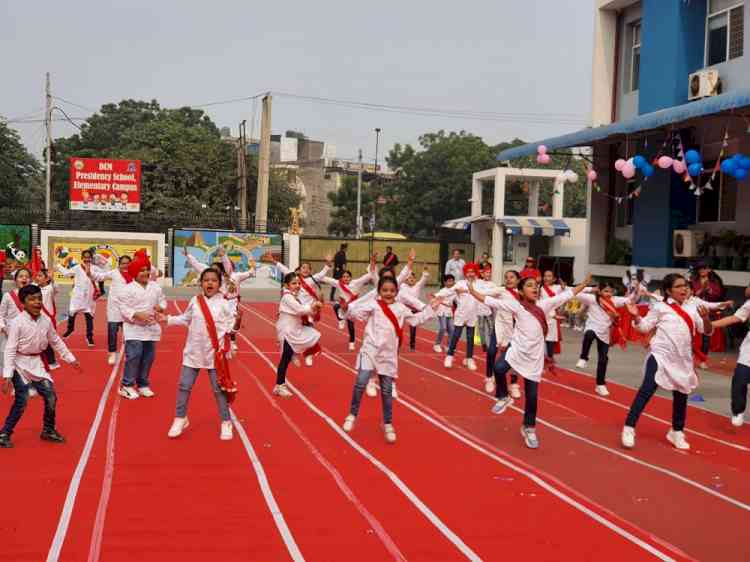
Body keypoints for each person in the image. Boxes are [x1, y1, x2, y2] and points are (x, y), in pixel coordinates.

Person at [470, 273, 592, 449]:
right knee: (498, 368)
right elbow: (490, 301)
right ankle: (503, 396)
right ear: (521, 291)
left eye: (536, 285)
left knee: (532, 396)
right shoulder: (516, 306)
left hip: (534, 359)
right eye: (529, 285)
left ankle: (529, 427)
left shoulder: (545, 304)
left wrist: (584, 284)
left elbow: (568, 294)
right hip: (516, 351)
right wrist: (472, 291)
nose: (534, 288)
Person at [340, 276, 440, 443]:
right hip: (370, 349)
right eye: (385, 290)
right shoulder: (373, 305)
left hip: (388, 355)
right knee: (361, 380)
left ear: (397, 292)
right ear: (379, 291)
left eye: (392, 290)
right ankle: (352, 414)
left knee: (386, 391)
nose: (388, 293)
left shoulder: (401, 308)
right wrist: (345, 310)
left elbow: (415, 320)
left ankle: (387, 423)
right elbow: (356, 314)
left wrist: (431, 309)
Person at [621, 274, 714, 450]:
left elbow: (707, 331)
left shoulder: (694, 308)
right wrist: (635, 317)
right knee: (646, 390)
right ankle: (629, 428)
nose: (684, 289)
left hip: (682, 360)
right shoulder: (660, 307)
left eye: (685, 285)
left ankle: (676, 432)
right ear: (669, 291)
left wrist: (707, 319)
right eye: (679, 286)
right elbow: (644, 327)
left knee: (681, 396)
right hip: (660, 355)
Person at [0, 284, 81, 448]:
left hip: (36, 364)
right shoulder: (17, 323)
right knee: (22, 400)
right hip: (19, 365)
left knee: (51, 395)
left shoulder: (45, 320)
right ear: (23, 303)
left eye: (39, 298)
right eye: (31, 299)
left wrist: (70, 359)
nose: (37, 302)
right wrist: (7, 375)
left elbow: (56, 340)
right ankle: (4, 433)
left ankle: (48, 430)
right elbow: (9, 349)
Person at [163, 267, 238, 440]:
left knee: (218, 391)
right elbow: (185, 318)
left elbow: (231, 328)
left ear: (219, 284)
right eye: (206, 280)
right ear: (201, 283)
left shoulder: (225, 304)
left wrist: (238, 322)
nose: (210, 283)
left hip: (214, 355)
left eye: (213, 280)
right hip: (193, 352)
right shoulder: (195, 301)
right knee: (184, 386)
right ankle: (180, 418)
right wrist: (167, 319)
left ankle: (226, 422)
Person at [185, 246, 254, 352]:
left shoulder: (236, 276)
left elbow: (248, 273)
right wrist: (188, 256)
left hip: (233, 302)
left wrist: (252, 269)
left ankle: (231, 340)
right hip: (221, 301)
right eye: (212, 269)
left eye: (216, 269)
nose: (213, 271)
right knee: (219, 321)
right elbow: (198, 266)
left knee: (232, 323)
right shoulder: (217, 279)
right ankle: (215, 339)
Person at [117, 255, 167, 400]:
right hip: (134, 329)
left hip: (151, 328)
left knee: (148, 357)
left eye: (147, 270)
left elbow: (163, 301)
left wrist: (161, 307)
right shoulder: (127, 289)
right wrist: (136, 314)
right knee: (134, 356)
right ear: (134, 273)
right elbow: (123, 307)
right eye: (141, 270)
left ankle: (143, 384)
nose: (145, 273)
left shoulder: (155, 287)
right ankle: (126, 385)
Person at [575, 281, 638, 396]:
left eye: (610, 291)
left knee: (603, 359)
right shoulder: (592, 299)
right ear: (599, 291)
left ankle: (600, 385)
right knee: (589, 334)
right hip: (592, 327)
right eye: (605, 291)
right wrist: (590, 289)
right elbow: (576, 293)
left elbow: (630, 300)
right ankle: (584, 357)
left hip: (604, 333)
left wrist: (637, 289)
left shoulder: (615, 300)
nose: (608, 293)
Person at [274, 272, 323, 398]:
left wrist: (316, 307)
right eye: (293, 283)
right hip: (287, 331)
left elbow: (303, 310)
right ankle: (279, 385)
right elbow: (300, 310)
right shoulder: (287, 297)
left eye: (298, 283)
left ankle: (296, 355)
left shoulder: (294, 296)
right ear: (286, 285)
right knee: (285, 358)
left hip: (294, 330)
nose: (297, 285)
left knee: (312, 335)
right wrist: (313, 305)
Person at [437, 262, 481, 370]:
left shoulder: (480, 284)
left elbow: (488, 292)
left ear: (475, 273)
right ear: (465, 273)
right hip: (461, 314)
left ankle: (469, 358)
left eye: (472, 272)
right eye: (468, 272)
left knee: (470, 338)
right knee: (456, 335)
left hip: (472, 314)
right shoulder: (460, 283)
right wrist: (437, 296)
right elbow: (449, 291)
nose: (470, 274)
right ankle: (449, 356)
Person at [486, 270, 521, 397]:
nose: (508, 279)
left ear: (518, 280)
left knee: (514, 356)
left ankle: (513, 384)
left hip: (516, 330)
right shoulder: (501, 291)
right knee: (491, 352)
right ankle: (489, 378)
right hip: (500, 328)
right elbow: (484, 293)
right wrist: (469, 289)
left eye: (512, 277)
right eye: (506, 277)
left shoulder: (522, 293)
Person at [322, 266, 374, 351]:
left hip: (352, 308)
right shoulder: (338, 283)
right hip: (343, 307)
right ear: (341, 278)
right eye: (344, 277)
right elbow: (326, 279)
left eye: (347, 277)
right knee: (335, 306)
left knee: (351, 325)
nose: (346, 278)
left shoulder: (356, 283)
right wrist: (316, 276)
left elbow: (367, 277)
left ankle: (351, 343)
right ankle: (340, 320)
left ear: (351, 277)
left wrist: (372, 267)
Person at [93, 254, 132, 366]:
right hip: (114, 308)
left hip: (128, 308)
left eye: (127, 263)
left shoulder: (134, 274)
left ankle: (129, 354)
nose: (125, 265)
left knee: (129, 333)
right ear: (119, 264)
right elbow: (100, 277)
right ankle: (112, 353)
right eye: (123, 263)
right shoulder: (114, 273)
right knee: (112, 331)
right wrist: (89, 273)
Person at [57, 249, 101, 347]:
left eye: (89, 257)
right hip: (77, 295)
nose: (87, 259)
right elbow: (67, 273)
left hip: (89, 296)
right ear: (82, 258)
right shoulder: (77, 268)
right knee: (72, 312)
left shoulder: (96, 268)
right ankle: (70, 329)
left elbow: (102, 276)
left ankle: (89, 336)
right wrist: (59, 266)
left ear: (91, 258)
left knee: (89, 316)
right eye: (85, 257)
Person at [691, 263, 726, 367]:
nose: (702, 270)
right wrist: (701, 290)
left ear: (709, 269)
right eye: (700, 268)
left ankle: (702, 359)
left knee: (706, 336)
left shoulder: (715, 282)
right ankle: (691, 356)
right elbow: (689, 295)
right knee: (692, 334)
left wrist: (709, 290)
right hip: (694, 311)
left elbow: (718, 295)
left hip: (708, 313)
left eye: (704, 268)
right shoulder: (693, 281)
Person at [34, 269, 60, 370]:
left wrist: (52, 279)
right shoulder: (34, 288)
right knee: (38, 340)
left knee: (46, 341)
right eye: (37, 276)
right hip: (35, 318)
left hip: (47, 319)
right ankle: (42, 360)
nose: (37, 278)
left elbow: (56, 288)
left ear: (46, 278)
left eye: (40, 276)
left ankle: (52, 361)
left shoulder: (50, 289)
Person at [539, 270, 564, 359]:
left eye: (549, 276)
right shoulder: (540, 289)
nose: (546, 278)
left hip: (553, 317)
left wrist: (563, 286)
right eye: (545, 276)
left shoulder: (558, 288)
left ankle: (550, 358)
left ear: (554, 279)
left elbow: (566, 293)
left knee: (551, 339)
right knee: (541, 339)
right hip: (543, 315)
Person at [433, 274, 456, 353]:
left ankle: (449, 346)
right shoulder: (443, 290)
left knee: (452, 330)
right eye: (449, 281)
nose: (451, 282)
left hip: (449, 312)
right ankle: (437, 344)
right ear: (445, 282)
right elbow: (435, 296)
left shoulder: (454, 291)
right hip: (442, 311)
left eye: (452, 281)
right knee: (443, 328)